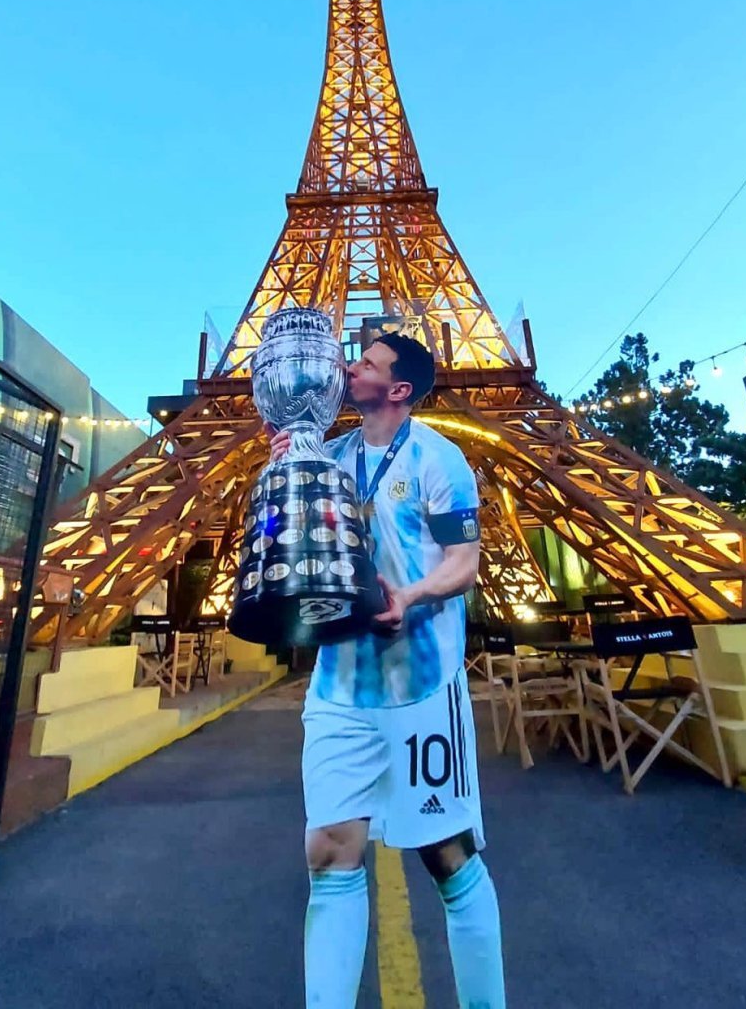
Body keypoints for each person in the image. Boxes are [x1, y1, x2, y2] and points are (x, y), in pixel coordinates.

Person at [268, 331, 506, 1009]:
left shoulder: (440, 458)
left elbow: (464, 561)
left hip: (421, 685)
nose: (349, 367)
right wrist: (281, 462)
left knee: (449, 859)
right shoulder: (332, 454)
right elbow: (295, 539)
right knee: (329, 853)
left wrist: (412, 595)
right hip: (340, 682)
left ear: (398, 389)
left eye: (366, 363)